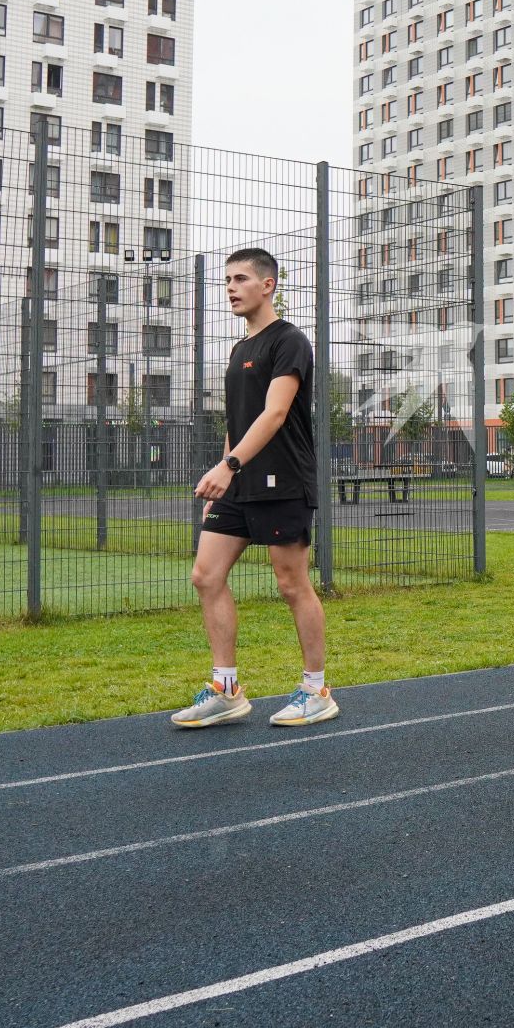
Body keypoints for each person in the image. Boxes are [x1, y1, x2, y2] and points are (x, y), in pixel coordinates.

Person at [172, 249, 337, 729]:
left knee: (291, 583)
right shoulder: (239, 349)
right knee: (205, 575)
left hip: (283, 480)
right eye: (227, 280)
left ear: (268, 285)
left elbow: (275, 413)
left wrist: (229, 465)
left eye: (240, 279)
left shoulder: (289, 342)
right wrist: (225, 473)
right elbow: (239, 420)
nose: (230, 287)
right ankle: (226, 689)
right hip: (239, 482)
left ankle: (316, 688)